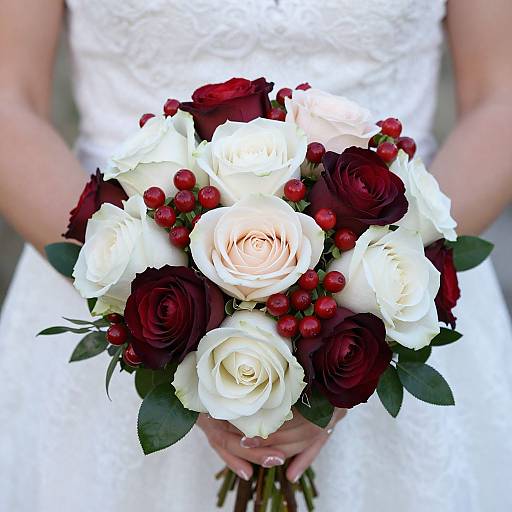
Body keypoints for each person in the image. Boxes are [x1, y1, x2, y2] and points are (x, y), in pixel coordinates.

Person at [1, 1, 511, 510]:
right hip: (122, 281)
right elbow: (9, 102)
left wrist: (361, 330)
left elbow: (500, 96)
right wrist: (169, 322)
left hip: (390, 283)